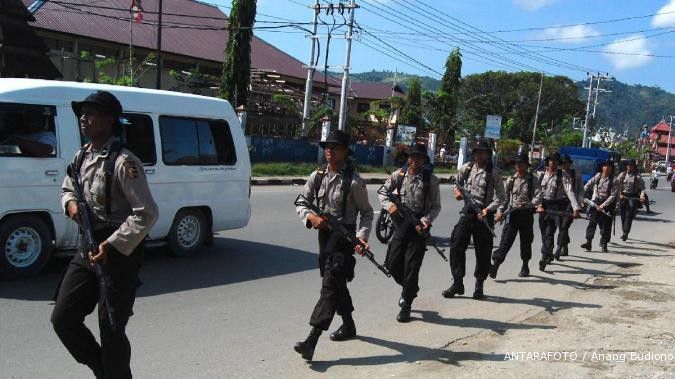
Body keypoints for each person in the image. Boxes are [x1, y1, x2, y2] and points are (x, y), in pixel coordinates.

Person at [51, 91, 158, 378]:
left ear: (110, 120)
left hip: (119, 251)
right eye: (82, 113)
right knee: (63, 318)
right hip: (88, 244)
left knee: (111, 327)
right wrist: (70, 205)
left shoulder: (125, 162)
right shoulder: (81, 156)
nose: (83, 118)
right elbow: (67, 188)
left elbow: (146, 214)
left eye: (91, 113)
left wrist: (110, 245)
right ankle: (104, 371)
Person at [294, 130, 374, 362]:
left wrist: (362, 237)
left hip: (344, 239)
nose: (329, 150)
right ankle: (348, 325)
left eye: (335, 147)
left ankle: (312, 340)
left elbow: (367, 213)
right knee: (337, 284)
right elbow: (301, 201)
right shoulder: (317, 176)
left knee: (329, 285)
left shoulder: (354, 182)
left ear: (345, 152)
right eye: (327, 146)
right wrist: (310, 218)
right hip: (324, 237)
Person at [378, 143, 441, 322]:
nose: (414, 160)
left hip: (419, 229)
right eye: (412, 156)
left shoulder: (431, 180)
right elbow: (382, 192)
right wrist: (389, 206)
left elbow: (436, 206)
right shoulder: (398, 175)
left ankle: (406, 304)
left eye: (419, 157)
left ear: (424, 160)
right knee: (391, 263)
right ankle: (410, 288)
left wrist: (426, 220)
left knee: (412, 268)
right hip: (400, 225)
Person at [442, 137, 505, 300]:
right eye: (476, 152)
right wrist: (456, 191)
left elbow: (501, 197)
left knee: (483, 252)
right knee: (456, 243)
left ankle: (479, 285)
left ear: (488, 154)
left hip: (485, 214)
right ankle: (457, 282)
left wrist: (487, 209)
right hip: (468, 211)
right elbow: (457, 182)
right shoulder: (467, 167)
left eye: (482, 153)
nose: (479, 156)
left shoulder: (494, 173)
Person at [490, 146, 540, 279]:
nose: (518, 165)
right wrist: (500, 211)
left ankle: (525, 265)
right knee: (505, 242)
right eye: (516, 163)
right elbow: (503, 198)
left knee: (526, 242)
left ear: (526, 165)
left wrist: (529, 204)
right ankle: (496, 264)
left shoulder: (532, 180)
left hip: (526, 215)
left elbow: (538, 197)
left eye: (521, 163)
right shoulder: (511, 180)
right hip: (512, 215)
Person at [536, 152, 581, 272]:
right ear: (547, 162)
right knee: (543, 233)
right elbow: (537, 192)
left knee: (550, 231)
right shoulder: (541, 175)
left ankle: (544, 256)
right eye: (551, 160)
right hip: (543, 206)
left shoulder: (563, 175)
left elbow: (570, 191)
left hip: (556, 206)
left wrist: (576, 207)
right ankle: (549, 252)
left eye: (555, 161)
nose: (553, 163)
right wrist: (538, 205)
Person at [581, 159, 618, 253]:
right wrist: (582, 193)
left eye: (609, 166)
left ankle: (604, 244)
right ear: (602, 167)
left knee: (605, 225)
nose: (607, 168)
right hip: (595, 202)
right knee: (591, 222)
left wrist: (603, 205)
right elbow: (588, 184)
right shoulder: (598, 176)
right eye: (605, 166)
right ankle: (588, 242)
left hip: (607, 204)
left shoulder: (614, 180)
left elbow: (613, 195)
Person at [556, 154, 584, 259]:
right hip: (559, 202)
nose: (564, 165)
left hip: (571, 203)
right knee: (561, 226)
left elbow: (581, 188)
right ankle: (565, 246)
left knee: (564, 225)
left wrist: (579, 201)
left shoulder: (575, 173)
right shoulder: (557, 173)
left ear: (569, 163)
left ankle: (559, 247)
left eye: (566, 162)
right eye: (562, 163)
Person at [616, 159, 646, 241]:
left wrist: (642, 196)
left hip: (633, 197)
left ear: (634, 167)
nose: (630, 167)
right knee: (622, 215)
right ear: (627, 167)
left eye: (631, 166)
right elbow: (616, 186)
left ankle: (625, 233)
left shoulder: (637, 176)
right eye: (628, 166)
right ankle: (624, 231)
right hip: (623, 197)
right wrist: (620, 194)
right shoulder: (622, 175)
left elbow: (642, 188)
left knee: (629, 216)